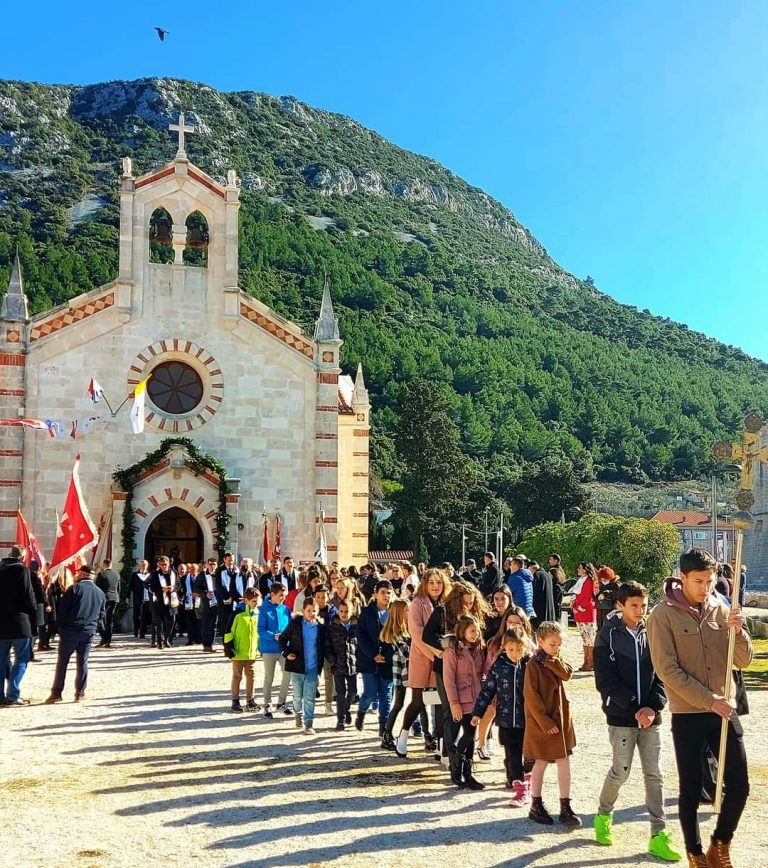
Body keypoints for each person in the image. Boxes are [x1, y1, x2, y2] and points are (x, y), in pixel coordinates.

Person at [647, 549, 752, 868]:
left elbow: (743, 660)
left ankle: (720, 844)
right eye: (699, 581)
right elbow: (668, 671)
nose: (706, 587)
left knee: (740, 784)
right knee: (691, 786)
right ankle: (695, 853)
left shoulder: (722, 608)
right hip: (689, 712)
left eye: (711, 580)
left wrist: (739, 630)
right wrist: (709, 699)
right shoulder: (661, 616)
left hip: (725, 708)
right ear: (682, 578)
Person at [593, 581, 681, 862]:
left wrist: (654, 707)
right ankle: (604, 815)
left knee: (654, 774)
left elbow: (665, 672)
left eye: (644, 606)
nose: (640, 611)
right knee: (621, 771)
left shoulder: (654, 631)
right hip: (621, 716)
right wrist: (634, 708)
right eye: (634, 606)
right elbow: (605, 680)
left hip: (651, 717)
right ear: (620, 606)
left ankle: (659, 833)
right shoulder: (606, 635)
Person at [524, 620, 580, 828]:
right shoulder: (532, 665)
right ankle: (535, 803)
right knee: (541, 762)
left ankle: (565, 805)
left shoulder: (555, 659)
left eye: (559, 645)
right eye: (552, 644)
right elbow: (531, 697)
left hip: (561, 720)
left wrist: (551, 660)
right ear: (540, 642)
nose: (556, 649)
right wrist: (545, 722)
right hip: (543, 723)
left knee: (564, 761)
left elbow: (567, 673)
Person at [472, 626, 530, 806]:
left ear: (526, 647)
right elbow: (488, 690)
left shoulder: (530, 664)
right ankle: (520, 790)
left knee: (529, 756)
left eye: (519, 649)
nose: (515, 653)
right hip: (506, 720)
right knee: (512, 755)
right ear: (504, 647)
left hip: (527, 720)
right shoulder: (499, 665)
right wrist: (478, 713)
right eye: (511, 649)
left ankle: (529, 784)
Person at [396, 568, 448, 757]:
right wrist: (436, 655)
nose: (435, 586)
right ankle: (403, 734)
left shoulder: (447, 603)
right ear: (425, 584)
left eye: (439, 582)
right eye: (431, 582)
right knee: (417, 702)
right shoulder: (417, 603)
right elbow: (417, 634)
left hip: (443, 658)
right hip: (422, 656)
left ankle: (443, 745)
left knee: (442, 704)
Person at [476, 605, 534, 761]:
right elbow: (489, 667)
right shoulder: (495, 643)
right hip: (498, 685)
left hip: (520, 693)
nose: (514, 625)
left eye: (518, 622)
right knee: (490, 712)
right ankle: (481, 743)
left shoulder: (529, 644)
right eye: (510, 622)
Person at [45, 565, 106, 703]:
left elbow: (62, 610)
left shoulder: (74, 589)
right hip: (88, 631)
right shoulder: (100, 593)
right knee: (82, 662)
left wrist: (60, 627)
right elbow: (102, 615)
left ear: (83, 574)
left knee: (62, 663)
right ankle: (80, 693)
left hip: (70, 631)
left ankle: (56, 693)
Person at [443, 614, 485, 790]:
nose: (475, 634)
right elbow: (449, 680)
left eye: (477, 631)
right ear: (463, 631)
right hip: (461, 699)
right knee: (468, 733)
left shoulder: (478, 650)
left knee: (471, 735)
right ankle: (456, 766)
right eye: (472, 631)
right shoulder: (453, 651)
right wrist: (454, 703)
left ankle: (467, 773)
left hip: (475, 699)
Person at [280, 597, 327, 735]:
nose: (311, 613)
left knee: (310, 697)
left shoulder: (321, 628)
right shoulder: (295, 624)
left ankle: (308, 723)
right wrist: (286, 653)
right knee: (297, 695)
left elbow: (324, 647)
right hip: (297, 666)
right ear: (303, 611)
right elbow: (283, 638)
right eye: (309, 611)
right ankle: (297, 715)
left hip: (313, 667)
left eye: (314, 611)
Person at [355, 580, 394, 735]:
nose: (386, 596)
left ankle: (383, 727)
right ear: (376, 595)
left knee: (386, 695)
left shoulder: (394, 612)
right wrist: (373, 654)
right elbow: (361, 635)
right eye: (383, 592)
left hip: (388, 661)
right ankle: (361, 712)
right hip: (369, 660)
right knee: (370, 693)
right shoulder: (367, 612)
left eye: (389, 593)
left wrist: (386, 655)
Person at [0, 545, 36, 706]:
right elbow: (28, 594)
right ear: (22, 556)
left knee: (0, 661)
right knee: (21, 659)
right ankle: (13, 694)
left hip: (1, 624)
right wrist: (34, 611)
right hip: (19, 623)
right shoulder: (22, 571)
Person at [380, 599, 414, 749]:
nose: (409, 613)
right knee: (399, 704)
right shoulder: (395, 633)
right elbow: (403, 652)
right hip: (400, 672)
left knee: (415, 703)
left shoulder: (408, 629)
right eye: (406, 610)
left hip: (406, 671)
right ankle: (387, 734)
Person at [258, 583, 293, 718]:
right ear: (272, 595)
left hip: (283, 648)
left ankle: (281, 702)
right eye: (280, 596)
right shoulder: (263, 610)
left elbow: (290, 628)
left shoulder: (285, 610)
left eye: (284, 595)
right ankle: (267, 705)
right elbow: (260, 630)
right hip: (268, 649)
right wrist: (273, 636)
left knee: (287, 674)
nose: (283, 598)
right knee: (269, 677)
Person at [224, 587, 261, 713]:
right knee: (237, 676)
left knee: (251, 676)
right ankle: (235, 700)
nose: (256, 603)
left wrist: (259, 647)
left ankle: (250, 700)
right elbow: (229, 631)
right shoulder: (237, 614)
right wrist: (229, 648)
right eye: (253, 601)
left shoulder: (257, 614)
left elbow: (258, 633)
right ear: (246, 600)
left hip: (251, 652)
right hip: (238, 652)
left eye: (257, 601)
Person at [326, 599, 358, 730]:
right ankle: (341, 720)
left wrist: (359, 659)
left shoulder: (356, 626)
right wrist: (332, 659)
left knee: (353, 691)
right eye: (341, 611)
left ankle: (346, 708)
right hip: (338, 664)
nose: (343, 614)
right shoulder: (332, 626)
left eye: (346, 611)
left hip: (352, 664)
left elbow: (360, 645)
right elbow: (327, 645)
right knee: (340, 693)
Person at [573, 562, 598, 671]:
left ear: (585, 569)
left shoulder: (589, 581)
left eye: (579, 568)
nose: (578, 570)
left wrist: (578, 607)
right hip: (579, 613)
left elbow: (587, 598)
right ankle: (586, 661)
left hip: (587, 612)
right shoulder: (580, 580)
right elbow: (576, 596)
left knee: (590, 638)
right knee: (584, 638)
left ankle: (591, 662)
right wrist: (574, 606)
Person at [149, 556, 178, 650]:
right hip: (160, 601)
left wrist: (173, 588)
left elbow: (179, 585)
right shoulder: (155, 574)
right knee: (159, 622)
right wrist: (161, 589)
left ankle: (167, 639)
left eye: (165, 564)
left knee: (172, 621)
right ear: (159, 565)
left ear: (169, 564)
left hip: (171, 601)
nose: (164, 566)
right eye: (162, 565)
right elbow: (152, 587)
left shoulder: (174, 573)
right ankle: (160, 641)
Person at [194, 557, 219, 652]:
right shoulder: (201, 575)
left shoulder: (219, 575)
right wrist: (205, 594)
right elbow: (196, 588)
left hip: (217, 603)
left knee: (214, 624)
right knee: (205, 624)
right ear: (207, 565)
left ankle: (210, 644)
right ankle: (205, 644)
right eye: (210, 564)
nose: (212, 566)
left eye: (214, 564)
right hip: (205, 603)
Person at [95, 558, 121, 648]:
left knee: (100, 618)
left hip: (104, 598)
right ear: (111, 564)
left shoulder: (101, 574)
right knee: (109, 620)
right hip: (115, 598)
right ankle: (108, 640)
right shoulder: (117, 574)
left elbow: (97, 588)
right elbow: (119, 588)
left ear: (104, 564)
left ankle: (104, 637)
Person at [529, 560, 555, 629]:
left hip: (539, 607)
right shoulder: (548, 575)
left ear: (532, 568)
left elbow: (534, 592)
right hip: (548, 606)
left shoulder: (537, 575)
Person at [130, 559, 151, 638]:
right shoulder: (135, 575)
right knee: (136, 615)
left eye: (145, 564)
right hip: (137, 598)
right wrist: (128, 596)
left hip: (146, 598)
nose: (143, 566)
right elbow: (131, 586)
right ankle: (136, 631)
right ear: (139, 565)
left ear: (147, 565)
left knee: (145, 616)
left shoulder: (150, 575)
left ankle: (142, 633)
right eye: (142, 564)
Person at [595, 566, 619, 631]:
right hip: (601, 608)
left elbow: (617, 593)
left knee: (608, 626)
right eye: (601, 579)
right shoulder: (601, 584)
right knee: (600, 627)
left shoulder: (615, 584)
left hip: (610, 609)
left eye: (604, 579)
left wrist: (605, 594)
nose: (603, 581)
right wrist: (596, 593)